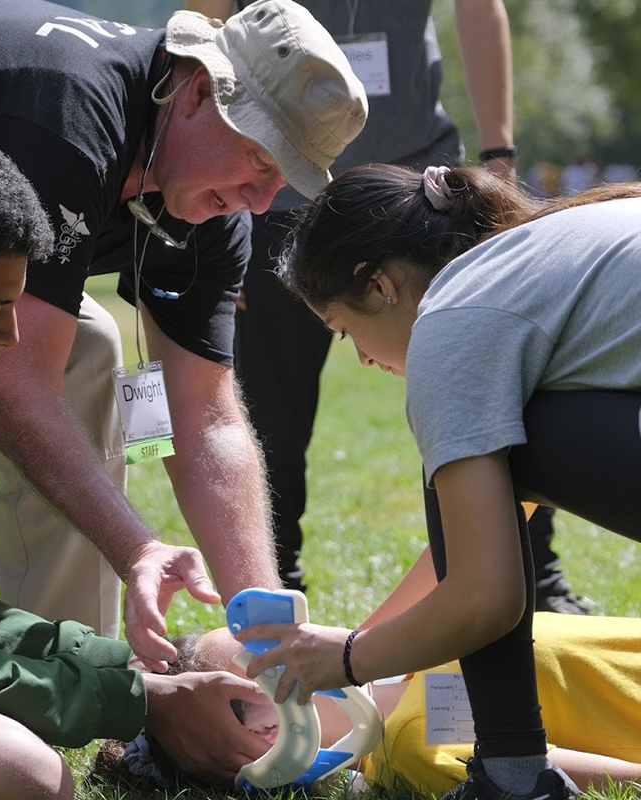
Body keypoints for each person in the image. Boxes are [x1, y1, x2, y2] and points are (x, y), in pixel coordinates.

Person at [0, 0, 368, 665]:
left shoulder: (211, 206)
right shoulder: (69, 110)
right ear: (198, 90)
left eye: (282, 178)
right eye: (260, 158)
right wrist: (139, 550)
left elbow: (206, 419)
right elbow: (16, 387)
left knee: (85, 354)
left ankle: (68, 674)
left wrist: (266, 626)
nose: (261, 200)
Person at [0, 120, 278, 800]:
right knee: (20, 773)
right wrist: (139, 702)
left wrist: (128, 670)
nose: (12, 336)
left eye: (16, 306)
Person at [232, 164, 641, 800]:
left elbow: (485, 595)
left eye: (345, 331)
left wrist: (348, 659)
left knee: (491, 455)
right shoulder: (546, 245)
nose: (364, 359)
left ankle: (511, 776)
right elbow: (491, 532)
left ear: (383, 285)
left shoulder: (451, 318)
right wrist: (357, 661)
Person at [186, 0, 583, 617]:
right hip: (271, 187)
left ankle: (537, 575)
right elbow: (208, 26)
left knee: (490, 382)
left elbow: (481, 11)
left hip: (418, 187)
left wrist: (498, 149)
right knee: (269, 403)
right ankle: (273, 584)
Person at [107, 613, 641, 796]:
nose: (288, 641)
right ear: (267, 742)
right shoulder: (411, 746)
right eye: (263, 663)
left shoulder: (418, 642)